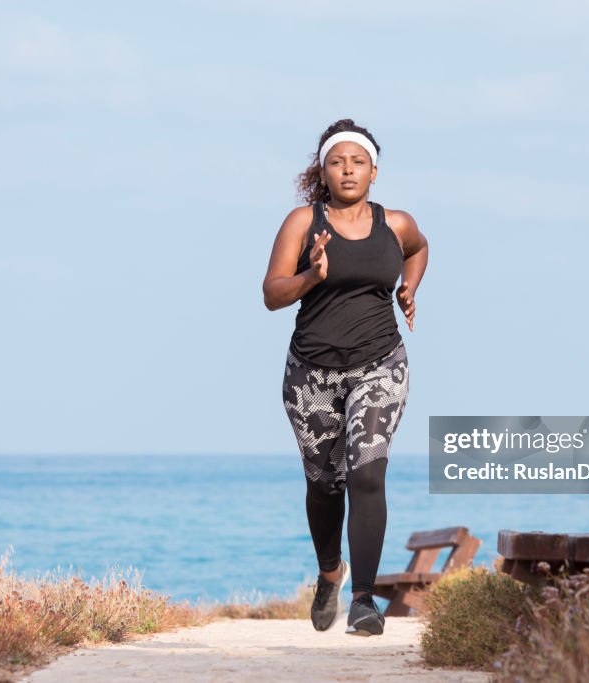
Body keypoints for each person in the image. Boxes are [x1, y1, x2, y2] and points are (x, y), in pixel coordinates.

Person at [262, 119, 429, 636]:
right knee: (324, 484)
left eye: (358, 161)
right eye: (338, 162)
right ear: (324, 170)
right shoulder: (302, 223)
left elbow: (419, 249)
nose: (348, 170)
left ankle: (363, 601)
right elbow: (271, 294)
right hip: (311, 373)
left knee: (366, 473)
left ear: (374, 171)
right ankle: (331, 573)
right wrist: (312, 276)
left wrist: (408, 288)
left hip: (380, 363)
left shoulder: (395, 224)